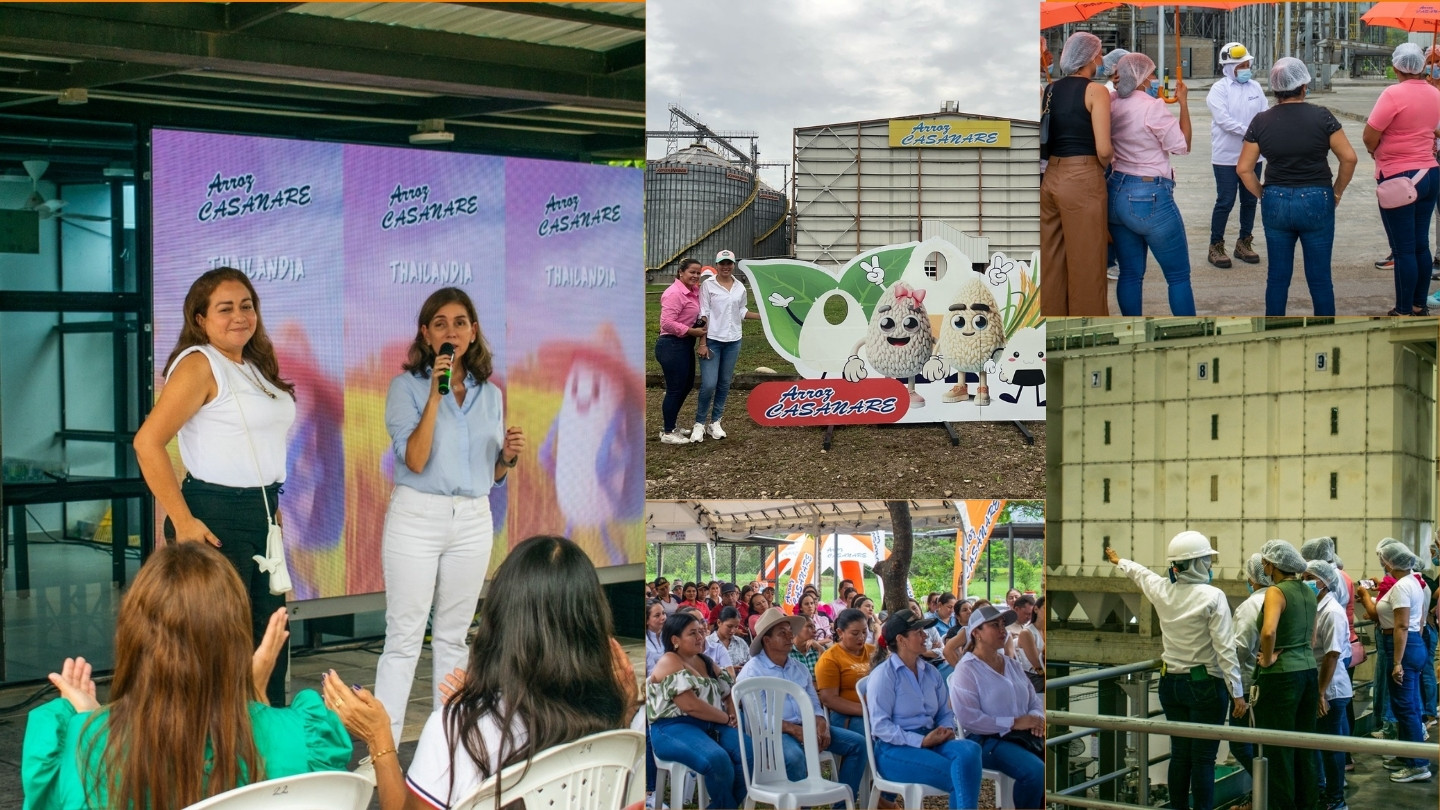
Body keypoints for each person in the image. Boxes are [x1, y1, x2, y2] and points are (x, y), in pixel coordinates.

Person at [22, 542, 350, 809]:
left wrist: (89, 720)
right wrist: (253, 693)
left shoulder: (79, 746)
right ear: (235, 640)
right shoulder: (305, 739)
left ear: (133, 640)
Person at [327, 535, 637, 810]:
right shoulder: (615, 717)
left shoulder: (458, 731)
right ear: (592, 619)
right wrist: (626, 709)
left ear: (500, 618)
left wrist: (380, 738)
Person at [133, 267, 297, 707]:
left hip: (260, 517)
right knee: (219, 650)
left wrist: (270, 508)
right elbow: (147, 443)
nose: (240, 315)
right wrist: (182, 521)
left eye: (247, 305)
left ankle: (264, 751)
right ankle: (218, 759)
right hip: (213, 518)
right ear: (200, 319)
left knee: (269, 642)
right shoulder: (200, 363)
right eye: (225, 308)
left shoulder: (254, 365)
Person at [371, 287, 526, 753]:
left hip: (474, 518)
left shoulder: (491, 395)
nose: (451, 331)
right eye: (440, 323)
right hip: (417, 515)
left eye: (460, 322)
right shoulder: (406, 388)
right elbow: (415, 460)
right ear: (426, 333)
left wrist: (508, 459)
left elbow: (490, 473)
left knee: (455, 638)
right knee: (404, 637)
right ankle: (381, 752)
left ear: (473, 331)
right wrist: (437, 395)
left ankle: (448, 751)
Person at [1104, 533, 1245, 810]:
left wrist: (1119, 561)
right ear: (1194, 563)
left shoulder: (1162, 589)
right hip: (1204, 685)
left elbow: (1141, 574)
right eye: (1206, 559)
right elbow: (1225, 649)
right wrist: (1237, 692)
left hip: (1170, 683)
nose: (1209, 564)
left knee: (1180, 755)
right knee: (1204, 759)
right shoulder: (1213, 596)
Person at [1238, 58, 1357, 316]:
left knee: (1278, 278)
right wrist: (1336, 191)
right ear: (1303, 86)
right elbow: (1349, 157)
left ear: (1275, 88)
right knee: (1320, 278)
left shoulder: (1260, 121)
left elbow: (1244, 169)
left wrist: (1262, 193)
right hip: (1317, 198)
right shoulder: (1322, 116)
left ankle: (1273, 330)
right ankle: (1324, 330)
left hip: (1276, 199)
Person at [736, 608, 866, 802]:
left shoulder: (799, 668)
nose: (790, 636)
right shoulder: (752, 672)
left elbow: (813, 701)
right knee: (795, 757)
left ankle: (840, 805)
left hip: (806, 727)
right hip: (774, 733)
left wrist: (821, 722)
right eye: (782, 633)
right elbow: (758, 716)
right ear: (767, 640)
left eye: (790, 631)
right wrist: (794, 730)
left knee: (858, 744)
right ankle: (800, 805)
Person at [1106, 52, 1196, 316]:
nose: (1156, 79)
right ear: (1142, 77)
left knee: (1130, 274)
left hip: (1117, 189)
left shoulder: (1110, 102)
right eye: (1152, 74)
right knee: (1178, 276)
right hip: (1150, 195)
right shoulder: (1151, 106)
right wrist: (1183, 104)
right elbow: (1182, 145)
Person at [865, 609, 983, 810]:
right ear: (901, 640)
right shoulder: (884, 675)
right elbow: (880, 727)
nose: (925, 635)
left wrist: (945, 729)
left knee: (971, 749)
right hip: (894, 749)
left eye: (923, 631)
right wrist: (921, 741)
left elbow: (945, 712)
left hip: (932, 740)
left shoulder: (930, 672)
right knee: (960, 775)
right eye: (918, 632)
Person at [1040, 31, 1113, 316]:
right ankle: (1087, 319)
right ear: (1093, 57)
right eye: (1100, 54)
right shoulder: (1096, 91)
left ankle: (1051, 319)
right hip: (1082, 177)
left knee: (1053, 262)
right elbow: (1104, 149)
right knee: (1088, 265)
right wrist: (1104, 166)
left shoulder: (1050, 90)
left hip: (1051, 179)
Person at [1366, 43, 1440, 316]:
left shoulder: (1393, 94)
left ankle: (1403, 308)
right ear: (1423, 66)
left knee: (1403, 249)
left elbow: (1370, 134)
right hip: (1430, 174)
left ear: (1396, 67)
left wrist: (1376, 151)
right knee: (1421, 244)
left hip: (1399, 176)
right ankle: (1420, 304)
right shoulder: (1435, 93)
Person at [950, 604, 1045, 809]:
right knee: (1036, 771)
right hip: (986, 741)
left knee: (1056, 760)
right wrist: (1014, 723)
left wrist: (1037, 719)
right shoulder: (967, 669)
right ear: (977, 633)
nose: (1003, 630)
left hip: (1022, 735)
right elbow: (970, 719)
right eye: (995, 625)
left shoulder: (1010, 664)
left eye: (1003, 625)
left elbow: (1033, 699)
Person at [1356, 538, 1434, 782]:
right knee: (1408, 704)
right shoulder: (1414, 582)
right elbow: (1418, 622)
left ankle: (1418, 764)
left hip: (1401, 646)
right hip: (1413, 645)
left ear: (1389, 562)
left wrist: (1398, 661)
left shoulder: (1401, 587)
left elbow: (1401, 625)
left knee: (1406, 707)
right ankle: (1407, 754)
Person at [1252, 540, 1320, 810]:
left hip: (1282, 678)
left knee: (1278, 751)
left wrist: (1267, 660)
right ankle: (1308, 805)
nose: (1263, 567)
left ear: (1273, 565)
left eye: (1265, 562)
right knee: (1305, 747)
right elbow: (1313, 639)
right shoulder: (1308, 591)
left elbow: (1268, 632)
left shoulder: (1275, 593)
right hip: (1307, 673)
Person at [1206, 41, 1268, 268]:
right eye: (1241, 65)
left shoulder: (1255, 87)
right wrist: (1251, 132)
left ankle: (1244, 242)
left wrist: (1261, 134)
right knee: (1225, 201)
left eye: (1247, 64)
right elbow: (1223, 120)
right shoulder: (1219, 89)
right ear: (1229, 67)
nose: (1246, 68)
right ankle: (1216, 245)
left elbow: (1264, 113)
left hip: (1253, 155)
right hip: (1226, 156)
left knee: (1251, 200)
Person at [690, 249, 759, 443]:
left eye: (729, 263)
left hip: (733, 340)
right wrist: (702, 342)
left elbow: (742, 311)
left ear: (733, 265)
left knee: (724, 383)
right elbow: (704, 313)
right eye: (722, 263)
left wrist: (764, 317)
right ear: (717, 265)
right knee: (709, 383)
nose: (726, 267)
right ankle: (699, 423)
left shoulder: (740, 287)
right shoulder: (708, 285)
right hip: (712, 340)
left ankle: (716, 422)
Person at [1305, 559, 1354, 810]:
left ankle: (1336, 799)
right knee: (1319, 745)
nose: (1305, 582)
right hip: (1321, 687)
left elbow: (1332, 655)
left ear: (1323, 582)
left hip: (1331, 690)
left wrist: (1321, 693)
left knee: (1331, 747)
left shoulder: (1332, 612)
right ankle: (1323, 792)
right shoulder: (1316, 607)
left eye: (1308, 577)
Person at [1228, 553, 1272, 782]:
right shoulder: (1281, 598)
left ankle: (1265, 788)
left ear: (1252, 578)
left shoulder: (1250, 606)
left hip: (1249, 685)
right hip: (1272, 679)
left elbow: (1240, 648)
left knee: (1240, 743)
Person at [656, 258, 708, 443]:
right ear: (681, 272)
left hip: (685, 344)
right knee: (675, 389)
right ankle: (668, 432)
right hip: (671, 345)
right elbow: (667, 323)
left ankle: (670, 424)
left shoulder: (693, 292)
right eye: (691, 272)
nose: (695, 276)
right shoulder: (674, 293)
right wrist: (691, 330)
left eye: (698, 273)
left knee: (685, 386)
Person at [816, 608, 875, 734]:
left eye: (864, 632)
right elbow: (829, 699)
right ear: (840, 632)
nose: (861, 637)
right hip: (847, 715)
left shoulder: (874, 652)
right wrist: (866, 710)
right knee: (873, 732)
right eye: (855, 633)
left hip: (876, 709)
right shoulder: (830, 659)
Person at [709, 605, 750, 672]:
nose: (733, 630)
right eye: (729, 626)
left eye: (736, 627)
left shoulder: (741, 642)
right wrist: (726, 671)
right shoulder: (708, 643)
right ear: (719, 622)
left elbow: (750, 663)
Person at [646, 599, 666, 675]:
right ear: (647, 620)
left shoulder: (667, 635)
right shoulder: (646, 643)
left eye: (663, 613)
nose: (663, 617)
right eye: (657, 615)